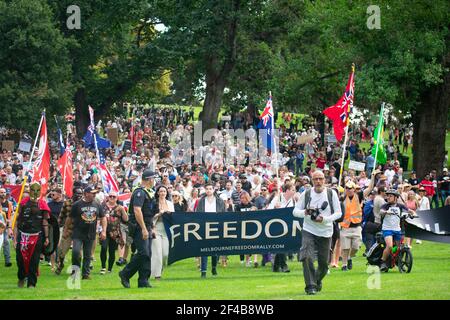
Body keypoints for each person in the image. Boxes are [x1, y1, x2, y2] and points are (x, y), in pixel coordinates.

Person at [293, 170, 342, 295]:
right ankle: (310, 286)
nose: (318, 181)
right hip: (309, 229)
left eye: (320, 178)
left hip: (326, 231)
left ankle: (316, 280)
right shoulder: (307, 193)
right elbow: (295, 211)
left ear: (325, 180)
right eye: (316, 179)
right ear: (312, 180)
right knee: (306, 256)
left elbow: (338, 213)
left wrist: (324, 219)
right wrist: (305, 212)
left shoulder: (331, 194)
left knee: (324, 264)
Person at [119, 170, 157, 288]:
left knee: (148, 254)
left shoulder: (149, 192)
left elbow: (150, 213)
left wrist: (152, 228)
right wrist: (144, 229)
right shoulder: (139, 192)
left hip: (148, 225)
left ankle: (143, 280)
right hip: (139, 227)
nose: (154, 181)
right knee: (143, 252)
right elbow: (137, 210)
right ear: (149, 179)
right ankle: (125, 273)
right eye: (153, 178)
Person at [13, 182, 50, 288]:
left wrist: (47, 237)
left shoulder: (43, 204)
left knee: (34, 260)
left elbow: (45, 221)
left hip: (37, 235)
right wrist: (15, 238)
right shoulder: (23, 202)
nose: (34, 192)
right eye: (32, 189)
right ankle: (21, 277)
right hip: (23, 234)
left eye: (37, 189)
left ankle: (31, 283)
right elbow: (17, 220)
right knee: (20, 259)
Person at [70, 185, 107, 280]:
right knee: (76, 252)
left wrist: (104, 231)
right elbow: (69, 218)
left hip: (90, 233)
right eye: (92, 193)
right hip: (78, 233)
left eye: (95, 193)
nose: (94, 195)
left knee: (88, 255)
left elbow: (103, 217)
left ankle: (85, 274)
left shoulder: (97, 204)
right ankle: (75, 271)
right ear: (86, 194)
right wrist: (67, 230)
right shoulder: (77, 204)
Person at [379, 189, 415, 272]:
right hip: (387, 229)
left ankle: (394, 260)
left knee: (397, 248)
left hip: (397, 230)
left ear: (396, 197)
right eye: (387, 195)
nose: (388, 197)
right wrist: (385, 212)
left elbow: (409, 210)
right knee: (390, 246)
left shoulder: (400, 206)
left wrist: (413, 214)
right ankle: (383, 262)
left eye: (390, 196)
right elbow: (381, 211)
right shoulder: (385, 206)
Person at [195, 183, 226, 278]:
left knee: (214, 249)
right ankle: (203, 271)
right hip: (204, 226)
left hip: (216, 226)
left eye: (210, 189)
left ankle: (213, 268)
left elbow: (224, 214)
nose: (209, 190)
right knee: (204, 249)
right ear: (205, 190)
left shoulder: (220, 201)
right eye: (207, 189)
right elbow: (198, 214)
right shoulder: (201, 201)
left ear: (213, 190)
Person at [268, 182, 297, 273]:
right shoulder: (278, 198)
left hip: (287, 225)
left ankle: (276, 266)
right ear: (287, 190)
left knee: (283, 245)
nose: (294, 191)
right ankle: (284, 265)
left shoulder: (293, 201)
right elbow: (268, 210)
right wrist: (275, 208)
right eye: (293, 190)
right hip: (276, 225)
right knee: (282, 244)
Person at [55, 187, 83, 275]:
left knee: (77, 252)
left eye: (80, 194)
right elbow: (61, 215)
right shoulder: (67, 203)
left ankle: (75, 270)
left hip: (79, 231)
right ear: (73, 194)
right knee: (62, 251)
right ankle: (60, 265)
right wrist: (58, 225)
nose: (79, 196)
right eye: (77, 194)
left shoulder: (83, 204)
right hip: (68, 230)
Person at [100, 190, 128, 274]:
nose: (112, 198)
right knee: (104, 248)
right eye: (110, 196)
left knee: (112, 250)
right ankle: (103, 267)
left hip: (115, 232)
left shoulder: (119, 207)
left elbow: (126, 219)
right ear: (108, 197)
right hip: (104, 230)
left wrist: (123, 211)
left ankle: (110, 268)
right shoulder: (102, 206)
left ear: (117, 198)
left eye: (114, 196)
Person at [151, 186, 174, 280]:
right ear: (158, 193)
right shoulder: (154, 203)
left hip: (167, 229)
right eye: (161, 191)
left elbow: (173, 217)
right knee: (157, 252)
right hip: (156, 228)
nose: (163, 193)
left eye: (164, 191)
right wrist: (159, 214)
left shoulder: (170, 203)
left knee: (165, 253)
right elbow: (150, 217)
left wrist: (168, 213)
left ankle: (160, 268)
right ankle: (157, 275)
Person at [0, 187, 13, 267]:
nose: (3, 194)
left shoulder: (9, 204)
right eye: (1, 192)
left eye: (4, 192)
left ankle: (7, 261)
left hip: (4, 227)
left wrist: (10, 228)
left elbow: (10, 217)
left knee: (6, 242)